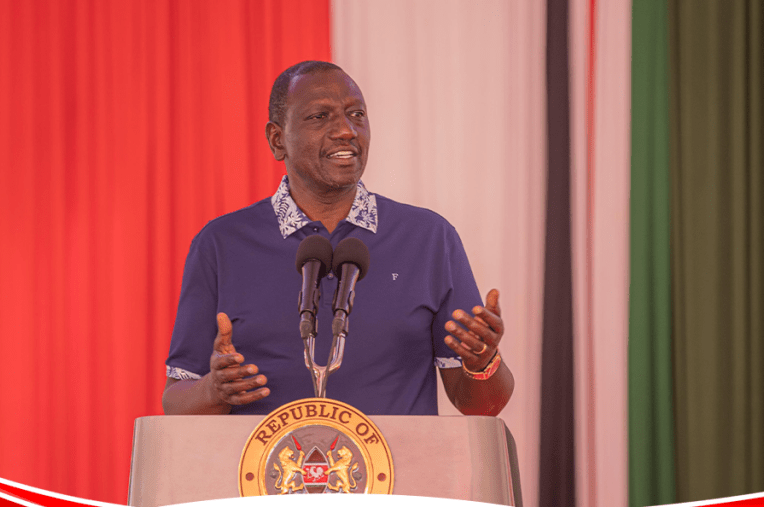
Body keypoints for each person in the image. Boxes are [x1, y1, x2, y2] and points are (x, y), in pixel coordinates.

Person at [162, 61, 513, 416]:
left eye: (356, 114)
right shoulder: (222, 244)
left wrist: (482, 360)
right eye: (320, 116)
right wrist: (212, 389)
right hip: (260, 470)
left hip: (400, 470)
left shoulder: (428, 239)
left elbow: (481, 406)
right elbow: (177, 398)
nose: (346, 130)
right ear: (277, 138)